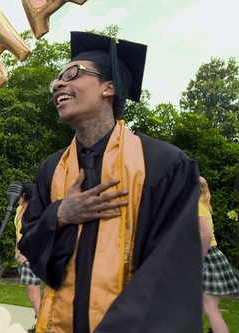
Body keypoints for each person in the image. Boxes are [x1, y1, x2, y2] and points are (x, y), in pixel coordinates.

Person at [19, 31, 202, 332]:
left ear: (109, 88)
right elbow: (31, 244)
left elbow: (169, 272)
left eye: (72, 74)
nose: (58, 84)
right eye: (56, 80)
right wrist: (61, 215)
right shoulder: (52, 169)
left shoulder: (164, 165)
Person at [199, 176, 239, 333]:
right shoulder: (203, 205)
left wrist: (199, 259)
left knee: (210, 307)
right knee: (205, 306)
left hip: (208, 257)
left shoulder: (197, 207)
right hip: (212, 255)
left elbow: (207, 235)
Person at [13, 182, 40, 331]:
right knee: (32, 295)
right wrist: (17, 251)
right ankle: (41, 323)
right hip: (21, 256)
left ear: (24, 195)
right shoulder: (19, 209)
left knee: (34, 295)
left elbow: (39, 236)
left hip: (31, 257)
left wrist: (28, 255)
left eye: (18, 193)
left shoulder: (35, 212)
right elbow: (18, 233)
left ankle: (42, 327)